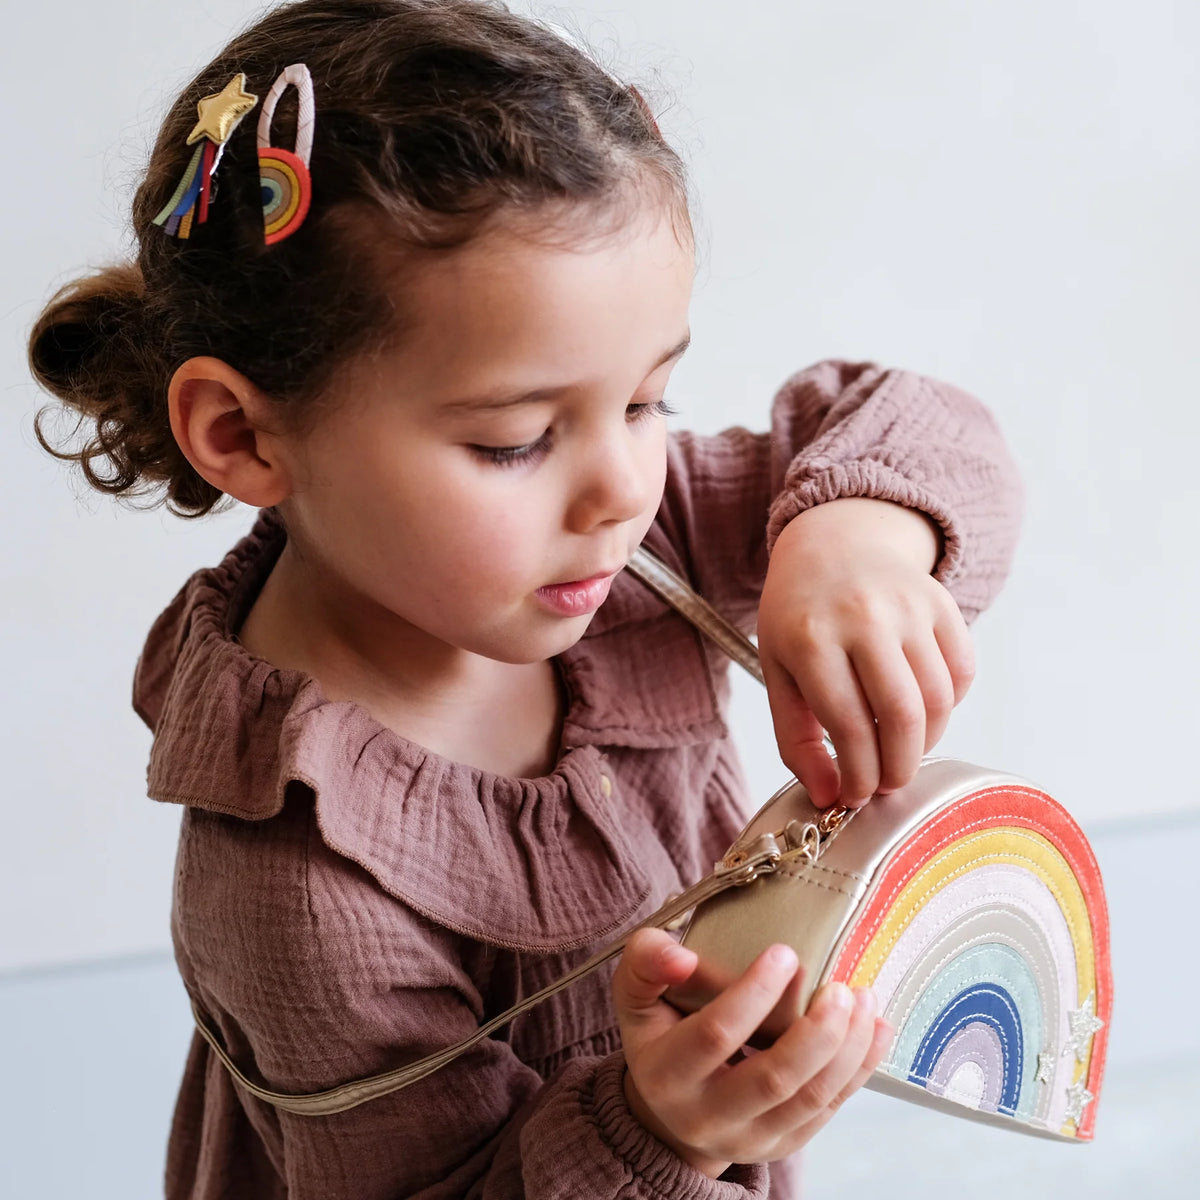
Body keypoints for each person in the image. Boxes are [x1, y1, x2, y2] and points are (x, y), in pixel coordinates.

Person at [27, 1, 1023, 1196]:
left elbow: (925, 424)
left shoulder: (635, 551)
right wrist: (653, 1131)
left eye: (649, 399)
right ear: (240, 434)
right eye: (514, 441)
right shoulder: (299, 888)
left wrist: (856, 535)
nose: (621, 486)